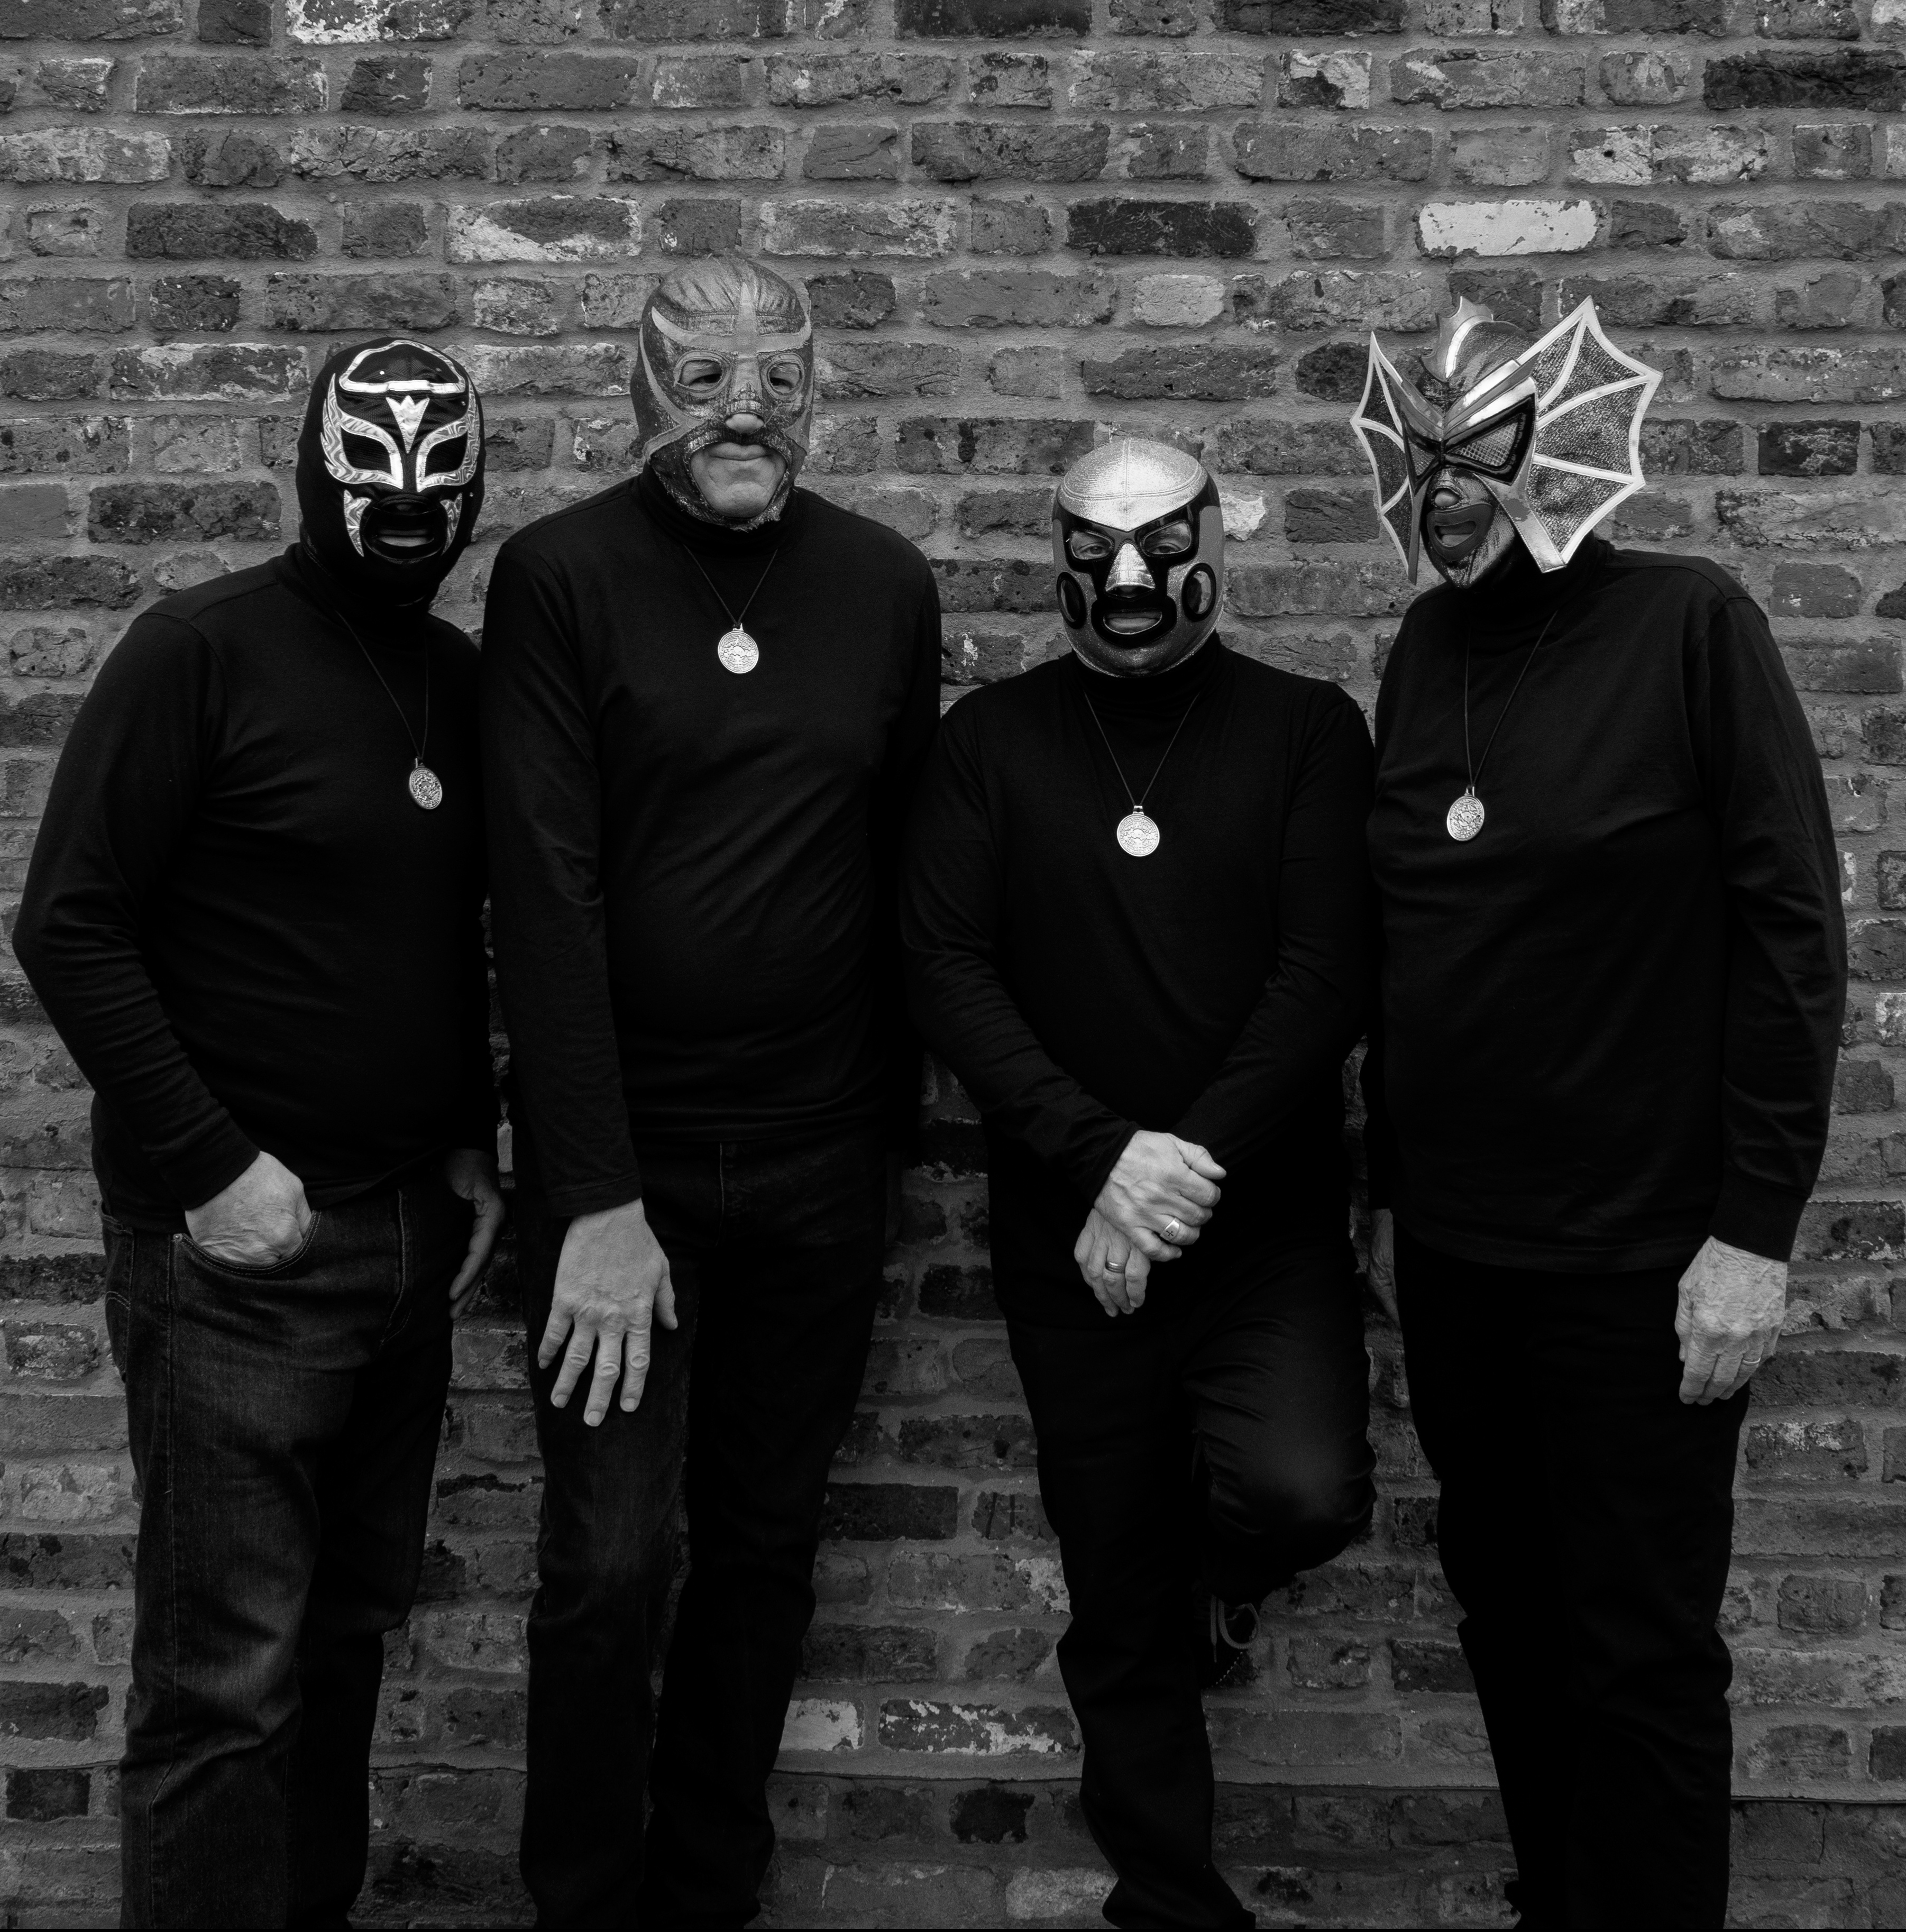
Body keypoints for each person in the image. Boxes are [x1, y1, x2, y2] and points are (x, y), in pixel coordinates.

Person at [1353, 297, 1847, 1929]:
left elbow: (1794, 938)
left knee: (1640, 1648)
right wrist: (1390, 1200)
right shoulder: (1424, 654)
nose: (1448, 494)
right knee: (1509, 1617)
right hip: (1461, 1258)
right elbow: (1411, 945)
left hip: (1645, 1261)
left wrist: (1752, 1237)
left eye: (1476, 458)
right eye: (1423, 462)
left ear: (1556, 445)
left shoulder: (1691, 625)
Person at [12, 337, 505, 1928]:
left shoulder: (457, 680)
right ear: (317, 468)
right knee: (225, 1683)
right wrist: (215, 1169)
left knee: (347, 1642)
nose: (411, 504)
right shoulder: (198, 652)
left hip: (405, 1243)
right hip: (237, 1261)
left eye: (443, 474)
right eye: (378, 468)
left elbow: (435, 937)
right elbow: (69, 924)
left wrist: (465, 1132)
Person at [480, 252, 941, 1928]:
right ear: (644, 389)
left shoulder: (883, 585)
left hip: (818, 1166)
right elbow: (542, 894)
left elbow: (903, 866)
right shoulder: (560, 578)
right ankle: (584, 1900)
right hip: (630, 1173)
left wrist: (880, 1142)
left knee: (762, 1550)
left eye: (779, 382)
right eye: (707, 381)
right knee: (610, 1562)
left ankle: (706, 1893)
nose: (747, 414)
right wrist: (596, 1197)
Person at [902, 437, 1377, 1931]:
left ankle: (1212, 1588)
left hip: (1264, 1232)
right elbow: (945, 969)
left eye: (1160, 550)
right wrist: (1102, 1158)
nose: (1127, 581)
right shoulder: (989, 743)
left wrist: (1178, 1174)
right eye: (1096, 551)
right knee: (1112, 1589)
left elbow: (1326, 976)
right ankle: (1169, 1904)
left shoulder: (1308, 731)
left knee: (1304, 1491)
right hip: (1074, 1239)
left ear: (1213, 551)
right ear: (1055, 557)